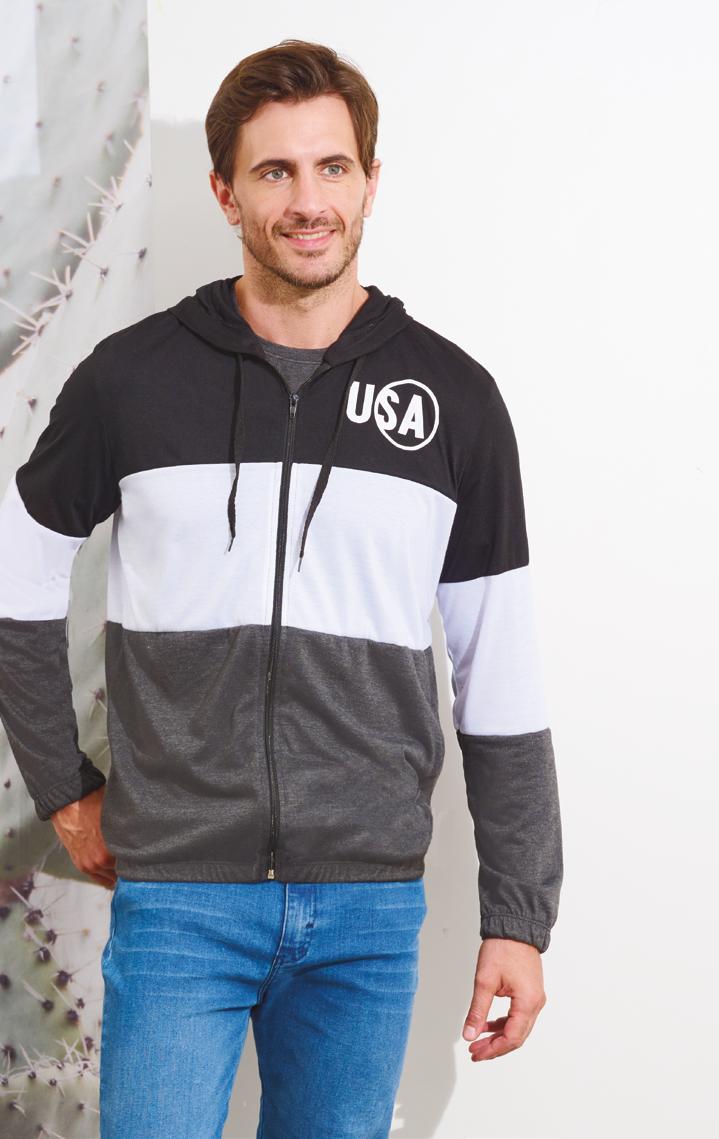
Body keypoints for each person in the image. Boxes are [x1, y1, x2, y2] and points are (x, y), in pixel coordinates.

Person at [0, 38, 563, 1139]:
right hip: (180, 898)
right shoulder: (130, 380)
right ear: (226, 192)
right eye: (275, 171)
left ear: (370, 180)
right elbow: (16, 570)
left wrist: (518, 914)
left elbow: (500, 672)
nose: (309, 201)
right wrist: (63, 785)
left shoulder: (454, 400)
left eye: (332, 167)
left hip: (367, 909)